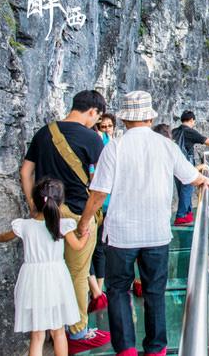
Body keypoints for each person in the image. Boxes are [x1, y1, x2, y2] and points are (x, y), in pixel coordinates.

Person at [78, 91, 209, 356]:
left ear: (125, 120)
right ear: (150, 117)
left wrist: (84, 222)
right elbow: (189, 177)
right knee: (154, 291)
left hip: (120, 235)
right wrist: (204, 181)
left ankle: (126, 349)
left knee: (118, 291)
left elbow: (99, 193)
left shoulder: (114, 147)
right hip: (156, 234)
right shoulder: (166, 145)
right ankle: (156, 349)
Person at [19, 90, 110, 353]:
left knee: (50, 271)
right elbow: (99, 184)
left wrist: (34, 206)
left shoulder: (44, 132)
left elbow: (26, 171)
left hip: (47, 214)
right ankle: (78, 330)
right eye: (97, 116)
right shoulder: (92, 138)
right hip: (78, 215)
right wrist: (87, 220)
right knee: (77, 274)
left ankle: (52, 328)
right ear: (92, 111)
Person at [0, 178, 89, 356]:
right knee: (59, 331)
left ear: (35, 201)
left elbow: (5, 237)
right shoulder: (61, 225)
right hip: (56, 280)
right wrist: (85, 235)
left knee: (37, 335)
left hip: (32, 281)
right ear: (60, 203)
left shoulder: (24, 226)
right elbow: (77, 246)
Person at [172, 110, 209, 226]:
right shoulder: (189, 131)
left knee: (182, 189)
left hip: (174, 163)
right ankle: (181, 216)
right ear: (191, 120)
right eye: (194, 121)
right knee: (186, 188)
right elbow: (207, 141)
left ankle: (187, 214)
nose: (194, 123)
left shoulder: (174, 131)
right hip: (186, 163)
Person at [88, 112, 117, 313]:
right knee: (94, 246)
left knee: (102, 247)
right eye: (102, 126)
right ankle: (97, 290)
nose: (106, 129)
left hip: (112, 204)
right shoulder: (96, 146)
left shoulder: (116, 146)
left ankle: (99, 288)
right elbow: (92, 175)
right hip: (98, 204)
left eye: (108, 126)